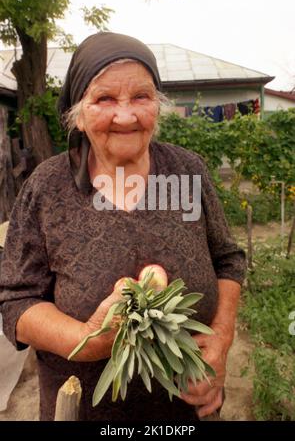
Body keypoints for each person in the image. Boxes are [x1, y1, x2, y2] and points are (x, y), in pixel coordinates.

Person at [0, 32, 246, 422]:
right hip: (85, 411)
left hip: (187, 412)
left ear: (159, 107)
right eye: (105, 99)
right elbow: (16, 301)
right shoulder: (47, 187)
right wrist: (93, 341)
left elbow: (228, 261)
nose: (126, 115)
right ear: (78, 114)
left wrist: (220, 340)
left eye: (141, 97)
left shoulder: (188, 171)